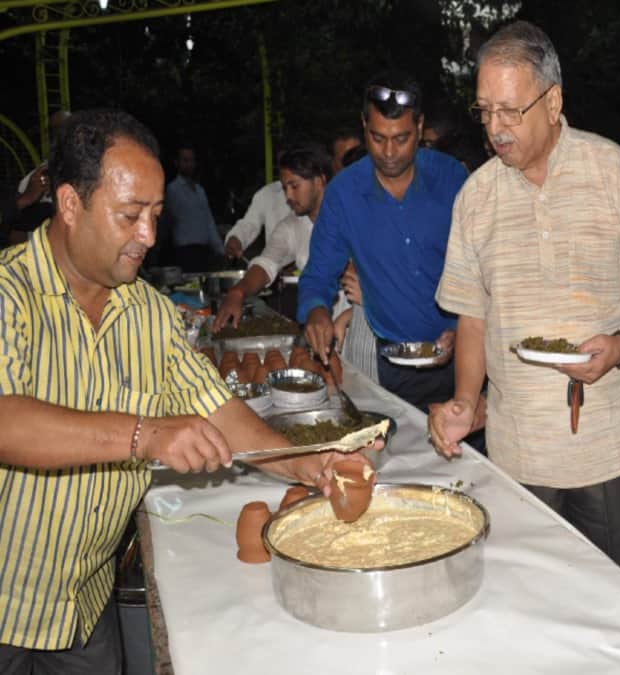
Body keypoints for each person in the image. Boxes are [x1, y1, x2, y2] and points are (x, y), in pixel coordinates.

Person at [0, 109, 361, 673]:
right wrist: (144, 435)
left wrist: (306, 464)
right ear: (69, 205)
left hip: (82, 608)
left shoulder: (147, 313)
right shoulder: (9, 294)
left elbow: (217, 409)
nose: (148, 236)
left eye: (156, 215)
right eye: (130, 216)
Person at [429, 21, 620, 594]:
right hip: (518, 459)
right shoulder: (477, 196)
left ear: (554, 101)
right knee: (535, 612)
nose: (494, 128)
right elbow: (472, 314)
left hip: (613, 452)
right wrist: (465, 401)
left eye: (510, 110)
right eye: (485, 111)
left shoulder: (614, 174)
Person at [298, 71, 467, 412]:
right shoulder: (344, 195)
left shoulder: (453, 180)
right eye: (377, 138)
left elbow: (485, 269)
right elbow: (318, 276)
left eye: (401, 138)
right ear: (364, 126)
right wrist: (317, 312)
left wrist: (462, 329)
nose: (389, 152)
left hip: (464, 356)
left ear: (419, 128)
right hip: (394, 366)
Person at [213, 145, 331, 331]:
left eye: (295, 186)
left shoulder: (349, 217)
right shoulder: (290, 225)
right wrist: (238, 292)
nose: (288, 196)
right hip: (315, 322)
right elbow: (267, 263)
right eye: (285, 188)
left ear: (319, 181)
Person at [8, 111, 72, 245]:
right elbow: (16, 235)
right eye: (56, 130)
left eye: (68, 128)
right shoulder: (36, 179)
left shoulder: (98, 172)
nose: (62, 135)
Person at [163, 143, 225, 271]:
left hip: (204, 252)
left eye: (191, 160)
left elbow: (209, 222)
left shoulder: (200, 190)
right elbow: (167, 222)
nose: (189, 164)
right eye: (185, 160)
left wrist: (220, 250)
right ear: (177, 163)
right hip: (184, 253)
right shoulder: (173, 189)